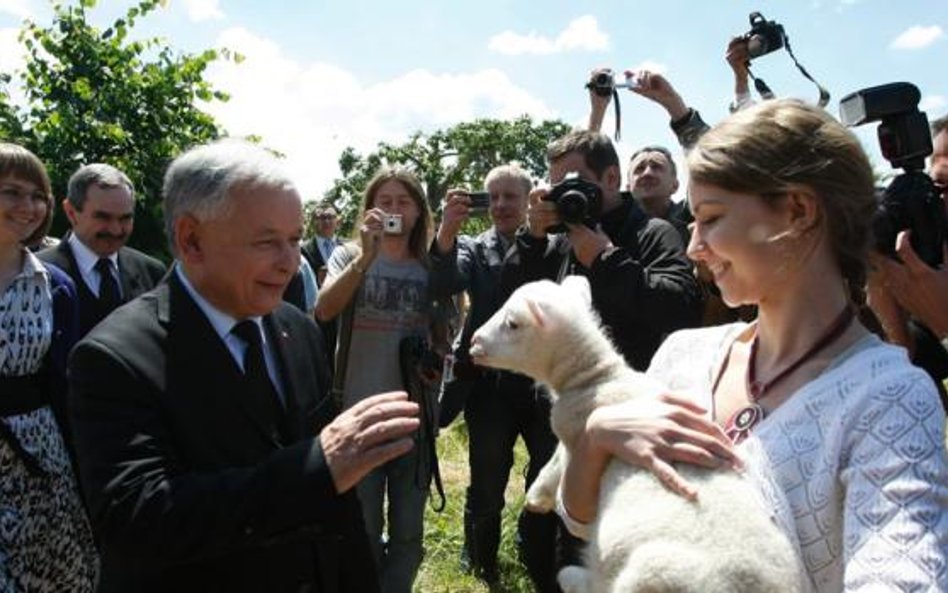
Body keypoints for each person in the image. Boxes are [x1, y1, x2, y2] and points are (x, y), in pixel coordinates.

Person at [559, 100, 948, 592]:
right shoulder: (682, 357)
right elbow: (582, 518)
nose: (695, 246)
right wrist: (594, 438)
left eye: (712, 218)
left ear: (799, 210)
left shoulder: (888, 396)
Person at [67, 140, 421, 592]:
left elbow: (338, 505)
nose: (290, 263)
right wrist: (314, 466)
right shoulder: (114, 358)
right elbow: (137, 522)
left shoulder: (297, 329)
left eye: (294, 240)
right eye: (267, 242)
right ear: (191, 239)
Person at [431, 164, 560, 590]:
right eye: (494, 197)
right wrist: (447, 230)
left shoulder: (556, 247)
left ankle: (533, 548)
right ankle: (479, 556)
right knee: (486, 475)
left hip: (542, 380)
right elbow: (446, 280)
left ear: (529, 200)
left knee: (544, 471)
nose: (502, 205)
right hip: (488, 382)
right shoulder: (471, 246)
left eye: (511, 196)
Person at [314, 167, 436, 593]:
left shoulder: (430, 265)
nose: (393, 210)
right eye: (383, 201)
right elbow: (324, 309)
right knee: (361, 529)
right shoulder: (348, 255)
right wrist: (366, 258)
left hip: (414, 419)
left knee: (407, 534)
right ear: (369, 210)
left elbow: (446, 335)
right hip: (358, 416)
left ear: (420, 213)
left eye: (403, 202)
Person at [520, 129, 702, 371]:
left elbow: (682, 309)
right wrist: (531, 239)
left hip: (630, 394)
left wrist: (605, 259)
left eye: (575, 182)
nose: (568, 194)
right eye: (558, 186)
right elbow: (514, 300)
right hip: (565, 393)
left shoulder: (655, 232)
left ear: (612, 178)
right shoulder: (561, 238)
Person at [0, 143, 98, 591]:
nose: (28, 207)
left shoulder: (54, 285)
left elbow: (63, 384)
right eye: (11, 192)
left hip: (37, 461)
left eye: (37, 195)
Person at [866, 114, 948, 407]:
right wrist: (882, 288)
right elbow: (912, 398)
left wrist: (945, 326)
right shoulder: (930, 270)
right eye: (937, 189)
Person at [37, 163, 166, 336]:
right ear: (71, 213)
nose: (115, 230)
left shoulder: (151, 272)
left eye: (125, 218)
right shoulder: (37, 274)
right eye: (103, 217)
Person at [302, 203, 343, 287]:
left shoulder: (348, 246)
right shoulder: (302, 250)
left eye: (330, 217)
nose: (326, 221)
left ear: (337, 221)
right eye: (321, 218)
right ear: (314, 221)